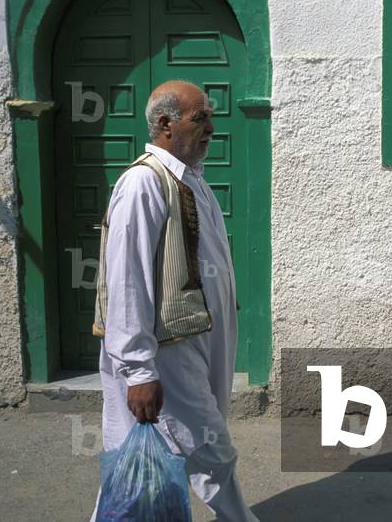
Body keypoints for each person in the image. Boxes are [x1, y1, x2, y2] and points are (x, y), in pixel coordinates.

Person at [90, 80, 258, 521]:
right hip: (168, 354)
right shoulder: (143, 184)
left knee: (149, 470)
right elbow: (126, 282)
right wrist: (139, 371)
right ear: (165, 124)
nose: (212, 128)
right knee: (209, 449)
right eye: (200, 117)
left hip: (197, 345)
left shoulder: (193, 182)